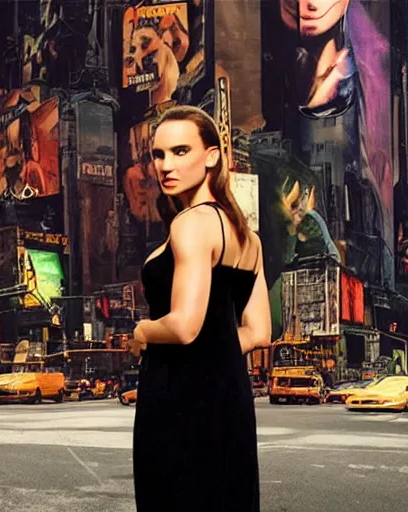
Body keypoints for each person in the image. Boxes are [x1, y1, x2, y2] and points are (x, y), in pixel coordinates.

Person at [127, 105, 271, 511]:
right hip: (230, 399)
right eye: (159, 154)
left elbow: (184, 327)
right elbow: (259, 332)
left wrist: (142, 333)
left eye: (180, 151)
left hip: (179, 400)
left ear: (211, 156)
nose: (165, 165)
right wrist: (217, 348)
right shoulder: (250, 239)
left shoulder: (190, 224)